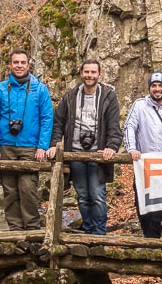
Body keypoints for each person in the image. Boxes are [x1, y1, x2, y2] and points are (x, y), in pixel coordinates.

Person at [48, 60, 122, 236]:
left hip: (98, 154)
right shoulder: (70, 96)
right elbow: (58, 122)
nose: (89, 75)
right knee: (82, 195)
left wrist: (111, 146)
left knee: (97, 194)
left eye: (93, 72)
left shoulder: (108, 96)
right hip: (75, 152)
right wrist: (54, 143)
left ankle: (99, 233)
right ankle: (88, 230)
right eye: (86, 72)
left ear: (99, 74)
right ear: (81, 73)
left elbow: (113, 125)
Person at [0, 49, 54, 231]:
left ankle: (32, 227)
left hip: (30, 147)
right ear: (10, 65)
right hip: (5, 146)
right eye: (16, 62)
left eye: (22, 62)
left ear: (28, 65)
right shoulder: (0, 89)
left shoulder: (39, 89)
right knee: (9, 191)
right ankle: (15, 229)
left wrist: (42, 146)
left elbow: (47, 118)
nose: (19, 66)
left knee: (28, 189)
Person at [125, 71, 162, 238]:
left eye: (160, 86)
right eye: (154, 86)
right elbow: (130, 126)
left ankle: (153, 242)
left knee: (161, 204)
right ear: (149, 88)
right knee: (141, 202)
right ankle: (148, 239)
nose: (157, 89)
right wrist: (132, 148)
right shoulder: (139, 105)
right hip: (143, 163)